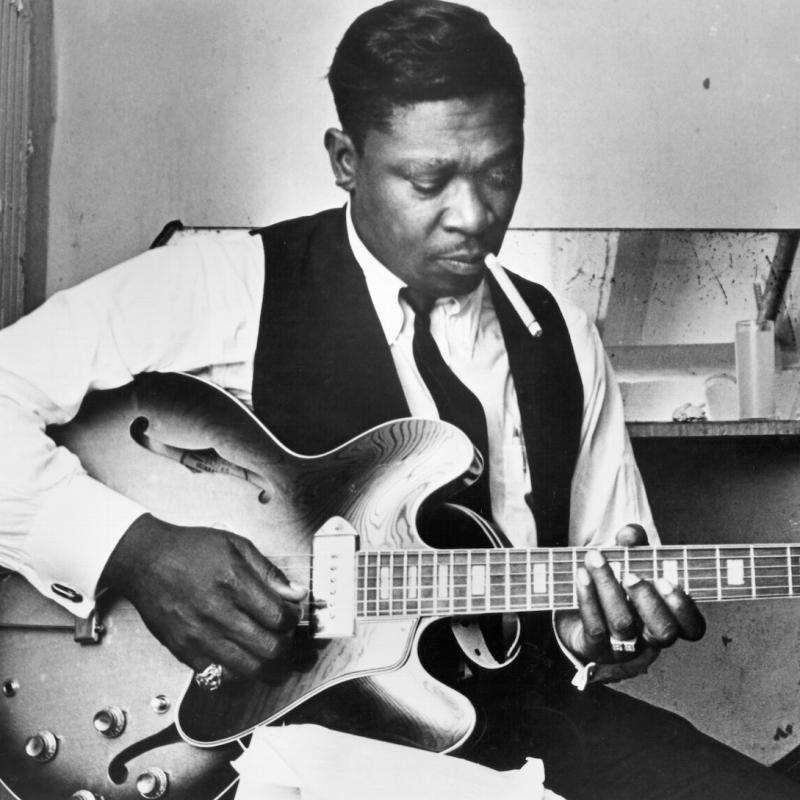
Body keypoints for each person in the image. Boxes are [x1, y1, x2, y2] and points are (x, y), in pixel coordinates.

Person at [0, 2, 796, 798]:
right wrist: (135, 551)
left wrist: (602, 638)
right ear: (346, 159)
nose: (475, 216)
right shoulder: (225, 284)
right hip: (297, 752)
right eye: (429, 181)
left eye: (499, 172)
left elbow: (597, 596)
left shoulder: (565, 340)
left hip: (518, 731)